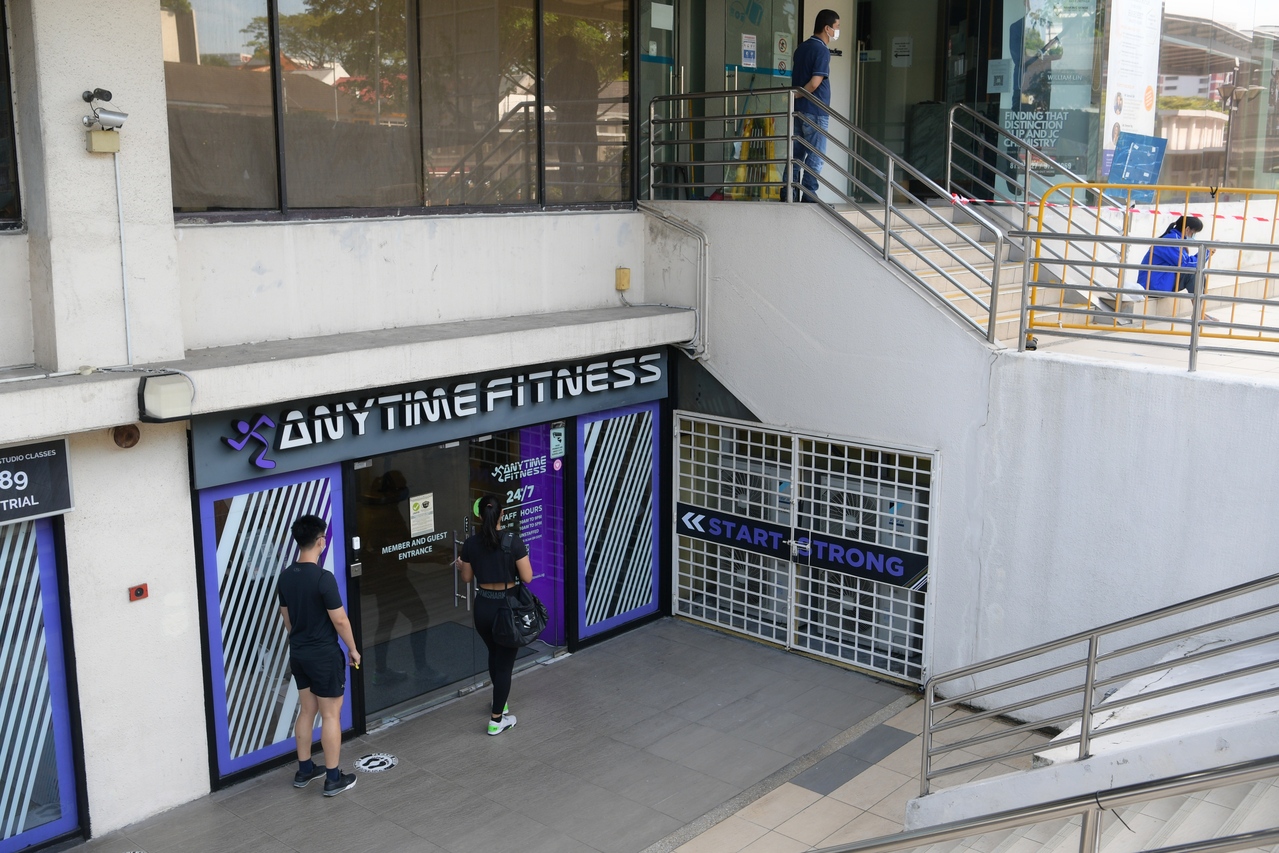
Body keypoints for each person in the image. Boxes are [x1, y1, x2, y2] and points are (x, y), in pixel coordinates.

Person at [277, 514, 361, 796]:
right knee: (330, 715)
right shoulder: (323, 579)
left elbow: (286, 618)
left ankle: (305, 770)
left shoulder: (286, 576)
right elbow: (340, 621)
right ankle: (333, 778)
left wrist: (301, 637)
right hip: (324, 656)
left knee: (307, 710)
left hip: (299, 653)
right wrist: (352, 648)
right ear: (321, 541)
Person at [456, 494, 533, 735]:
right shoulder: (513, 541)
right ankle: (496, 719)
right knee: (505, 666)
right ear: (502, 514)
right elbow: (528, 577)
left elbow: (467, 578)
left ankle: (500, 700)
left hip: (483, 607)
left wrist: (461, 566)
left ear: (481, 516)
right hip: (507, 607)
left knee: (494, 653)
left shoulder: (471, 544)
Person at [791, 10, 840, 202]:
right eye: (836, 27)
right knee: (816, 154)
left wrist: (796, 96)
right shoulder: (821, 50)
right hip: (816, 110)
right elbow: (815, 82)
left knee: (796, 154)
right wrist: (798, 93)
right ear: (827, 28)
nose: (837, 31)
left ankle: (789, 191)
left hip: (799, 110)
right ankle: (809, 194)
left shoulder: (802, 48)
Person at [544, 35, 600, 200]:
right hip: (580, 120)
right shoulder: (584, 68)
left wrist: (562, 104)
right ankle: (587, 193)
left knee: (571, 159)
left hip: (572, 120)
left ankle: (572, 194)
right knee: (584, 158)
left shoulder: (557, 71)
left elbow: (548, 97)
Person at [1138, 215, 1213, 293]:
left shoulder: (1175, 238)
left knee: (1199, 274)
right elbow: (1186, 264)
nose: (1194, 236)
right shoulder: (1172, 241)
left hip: (1161, 280)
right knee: (1194, 275)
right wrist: (1207, 252)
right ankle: (1198, 304)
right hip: (1154, 285)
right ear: (1187, 229)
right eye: (1193, 233)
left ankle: (1199, 303)